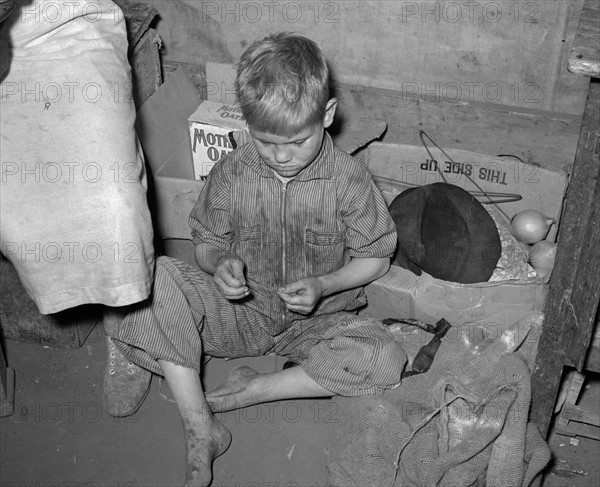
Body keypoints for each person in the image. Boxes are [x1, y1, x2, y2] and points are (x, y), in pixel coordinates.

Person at [112, 32, 406, 486]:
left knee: (384, 357)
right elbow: (206, 240)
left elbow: (378, 258)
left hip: (316, 322)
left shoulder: (349, 180)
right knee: (147, 282)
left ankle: (256, 389)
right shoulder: (233, 170)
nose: (281, 157)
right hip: (240, 314)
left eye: (296, 141)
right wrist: (220, 263)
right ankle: (200, 426)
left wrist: (325, 285)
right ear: (247, 125)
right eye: (267, 143)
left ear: (326, 116)